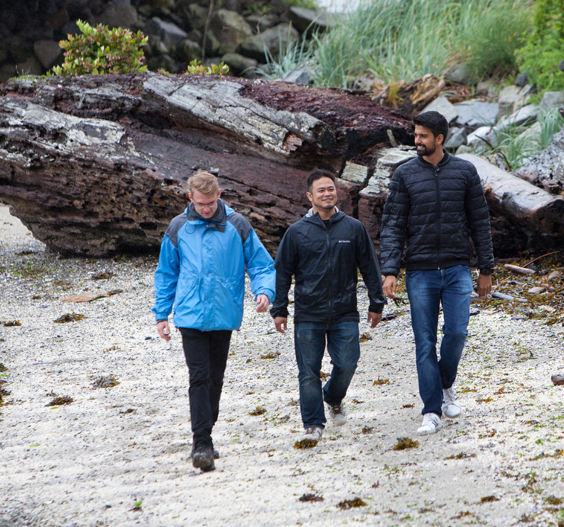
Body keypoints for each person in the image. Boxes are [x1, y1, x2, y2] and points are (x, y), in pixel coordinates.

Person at [379, 111, 494, 436]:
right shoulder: (404, 175)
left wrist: (485, 268)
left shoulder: (464, 171)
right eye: (415, 135)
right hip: (420, 272)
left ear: (440, 138)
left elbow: (480, 222)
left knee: (456, 334)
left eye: (422, 136)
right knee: (425, 342)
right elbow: (393, 225)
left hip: (458, 268)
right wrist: (390, 270)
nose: (416, 141)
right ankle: (431, 410)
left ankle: (445, 386)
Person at [153, 171, 276, 472]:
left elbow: (261, 264)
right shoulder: (178, 227)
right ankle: (202, 444)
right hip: (189, 316)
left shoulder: (237, 224)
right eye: (200, 204)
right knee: (199, 376)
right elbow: (166, 273)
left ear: (219, 195)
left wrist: (264, 291)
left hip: (224, 314)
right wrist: (161, 314)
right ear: (190, 198)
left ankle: (206, 432)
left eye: (210, 203)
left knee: (215, 379)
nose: (205, 209)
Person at [272, 169, 386, 444]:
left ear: (337, 193)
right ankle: (312, 424)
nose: (327, 194)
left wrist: (376, 302)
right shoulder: (296, 232)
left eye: (331, 189)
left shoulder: (353, 228)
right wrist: (279, 308)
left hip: (345, 311)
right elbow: (282, 272)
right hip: (308, 314)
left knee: (348, 362)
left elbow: (370, 267)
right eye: (321, 190)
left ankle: (333, 396)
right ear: (310, 196)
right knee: (308, 371)